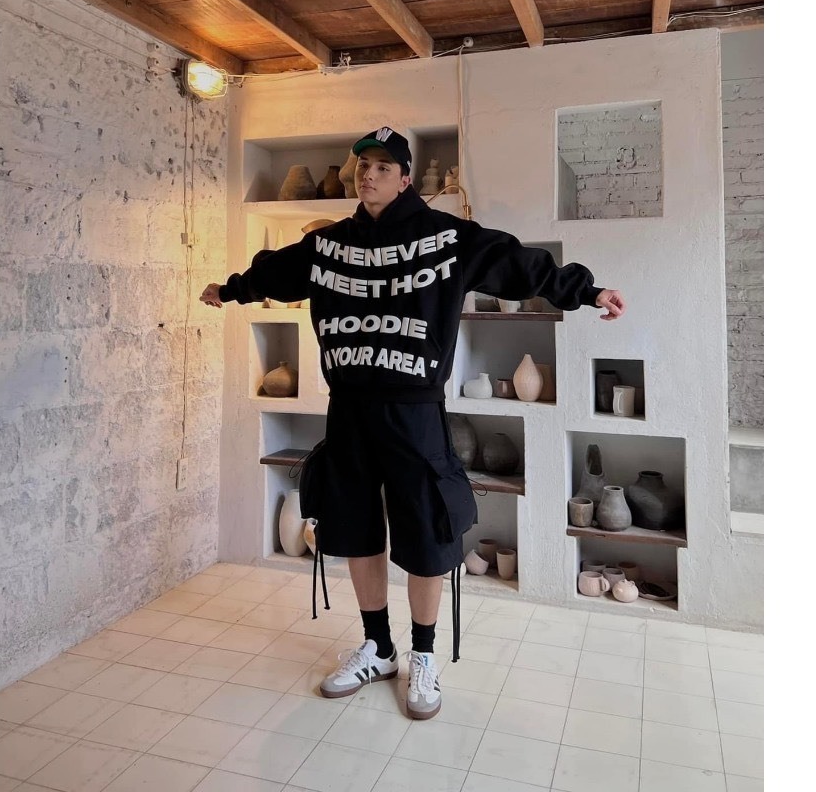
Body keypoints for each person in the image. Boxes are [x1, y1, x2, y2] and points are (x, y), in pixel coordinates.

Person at [200, 126, 625, 720]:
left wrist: (587, 290)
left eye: (382, 166)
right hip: (349, 408)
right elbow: (278, 272)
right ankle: (378, 647)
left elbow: (516, 262)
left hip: (415, 410)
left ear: (405, 179)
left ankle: (422, 654)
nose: (368, 174)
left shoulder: (446, 239)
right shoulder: (330, 246)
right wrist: (232, 290)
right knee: (355, 527)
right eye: (362, 166)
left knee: (428, 531)